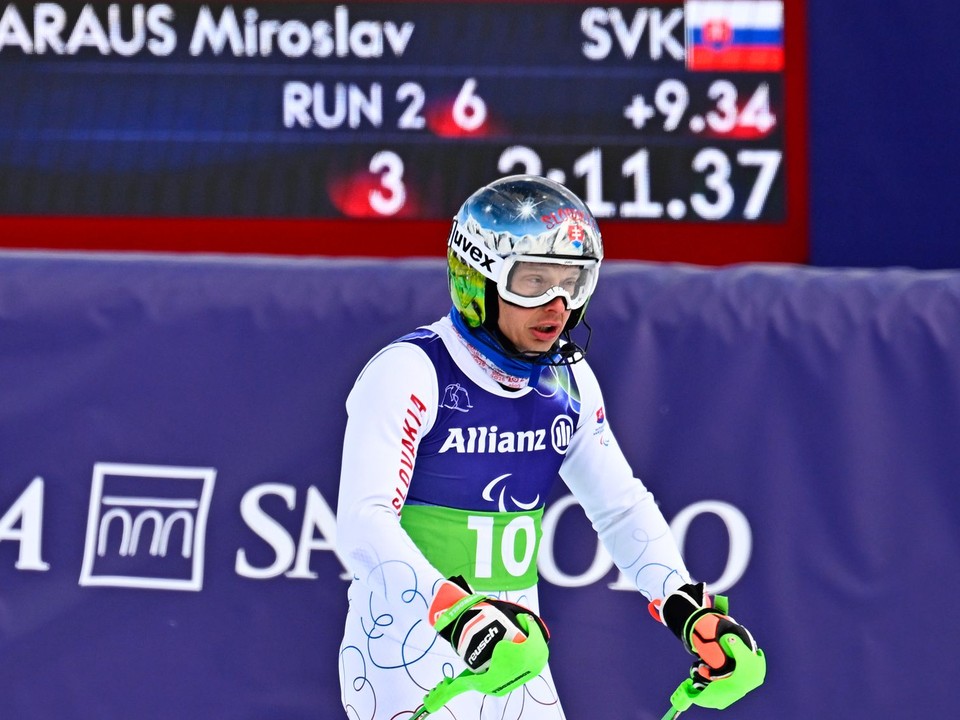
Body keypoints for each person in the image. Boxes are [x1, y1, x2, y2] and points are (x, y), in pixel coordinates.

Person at [336, 175, 764, 719]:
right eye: (533, 281)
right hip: (409, 647)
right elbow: (362, 521)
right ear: (479, 280)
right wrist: (458, 614)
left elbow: (619, 507)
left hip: (513, 646)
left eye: (573, 283)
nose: (556, 305)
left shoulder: (568, 380)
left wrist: (686, 606)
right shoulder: (410, 371)